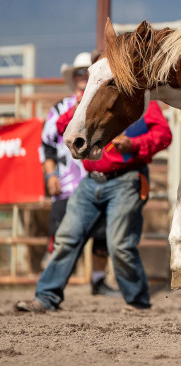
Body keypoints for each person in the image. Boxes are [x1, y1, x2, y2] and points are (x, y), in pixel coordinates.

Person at [16, 100, 172, 313]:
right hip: (91, 180)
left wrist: (133, 144)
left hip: (127, 178)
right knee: (67, 238)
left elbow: (164, 136)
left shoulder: (142, 101)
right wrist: (81, 104)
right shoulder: (90, 97)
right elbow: (63, 126)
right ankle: (46, 297)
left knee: (119, 244)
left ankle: (137, 301)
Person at [40, 51, 118, 296]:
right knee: (61, 235)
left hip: (97, 180)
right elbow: (47, 145)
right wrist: (50, 176)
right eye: (79, 72)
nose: (83, 76)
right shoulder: (60, 108)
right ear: (73, 78)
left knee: (102, 235)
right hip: (66, 183)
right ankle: (52, 280)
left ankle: (97, 281)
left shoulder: (102, 106)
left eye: (87, 71)